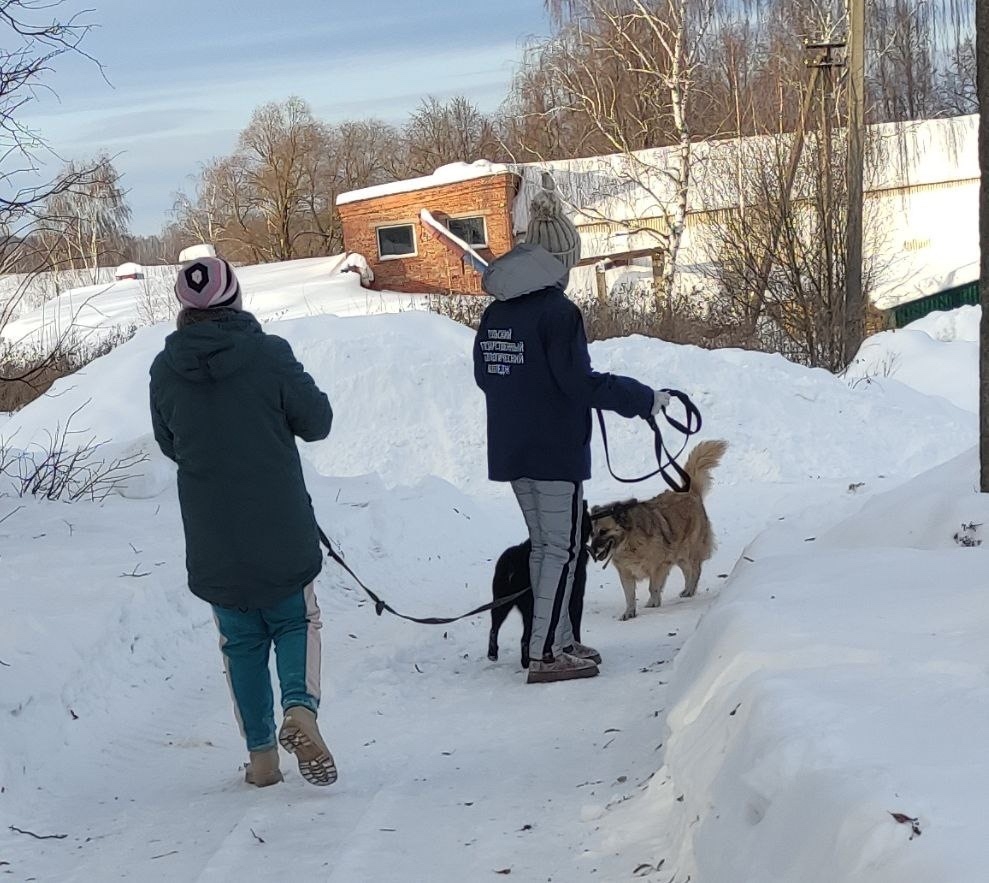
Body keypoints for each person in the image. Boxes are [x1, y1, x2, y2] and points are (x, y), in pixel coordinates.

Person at [473, 174, 671, 684]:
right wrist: (643, 399)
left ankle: (558, 640)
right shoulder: (557, 313)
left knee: (546, 548)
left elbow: (486, 377)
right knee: (558, 551)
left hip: (513, 451)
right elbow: (579, 383)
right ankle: (545, 653)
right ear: (559, 260)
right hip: (554, 453)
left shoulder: (497, 313)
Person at [149, 256, 337, 787]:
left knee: (240, 641)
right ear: (235, 299)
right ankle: (299, 709)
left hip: (211, 531)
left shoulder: (164, 368)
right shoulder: (268, 354)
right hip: (279, 521)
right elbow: (317, 422)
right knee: (296, 621)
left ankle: (262, 760)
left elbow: (169, 442)